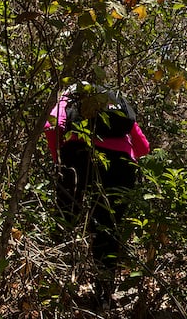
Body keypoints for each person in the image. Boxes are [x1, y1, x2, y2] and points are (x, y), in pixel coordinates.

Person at [45, 82, 151, 278]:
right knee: (107, 228)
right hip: (121, 164)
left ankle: (57, 276)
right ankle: (103, 292)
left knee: (65, 216)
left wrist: (59, 159)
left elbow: (52, 126)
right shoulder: (113, 99)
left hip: (78, 157)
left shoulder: (71, 96)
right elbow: (144, 147)